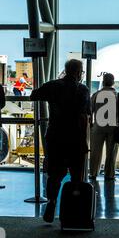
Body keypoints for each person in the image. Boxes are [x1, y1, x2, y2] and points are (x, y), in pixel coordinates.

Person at [30, 59, 91, 223]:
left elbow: (33, 95)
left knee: (54, 173)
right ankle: (74, 210)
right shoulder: (83, 90)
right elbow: (84, 116)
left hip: (55, 135)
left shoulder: (53, 85)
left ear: (66, 70)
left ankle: (51, 202)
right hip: (75, 138)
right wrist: (85, 141)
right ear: (79, 72)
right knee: (76, 176)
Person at [89, 73, 119, 182]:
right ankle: (109, 174)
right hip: (113, 127)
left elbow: (90, 112)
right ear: (113, 82)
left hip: (98, 126)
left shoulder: (96, 95)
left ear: (103, 81)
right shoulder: (118, 96)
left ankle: (93, 173)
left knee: (95, 152)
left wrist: (91, 124)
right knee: (111, 153)